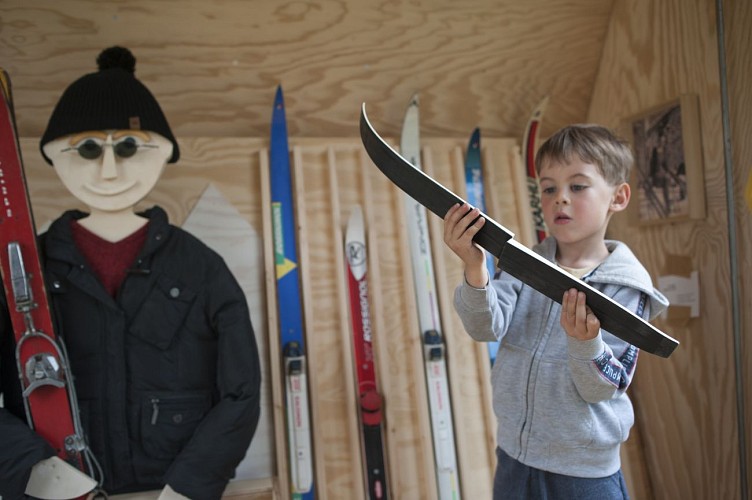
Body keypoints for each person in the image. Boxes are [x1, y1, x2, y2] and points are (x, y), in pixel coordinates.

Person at [0, 46, 261, 499]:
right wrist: (35, 471)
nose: (108, 169)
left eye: (128, 148)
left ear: (163, 153)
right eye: (86, 149)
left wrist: (191, 484)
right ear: (52, 155)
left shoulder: (200, 268)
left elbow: (240, 391)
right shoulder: (23, 274)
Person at [443, 124, 669, 499]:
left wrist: (585, 345)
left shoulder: (627, 288)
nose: (560, 198)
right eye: (549, 188)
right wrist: (474, 267)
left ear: (618, 196)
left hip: (583, 475)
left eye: (577, 186)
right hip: (515, 457)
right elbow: (484, 327)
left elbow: (602, 387)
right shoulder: (524, 263)